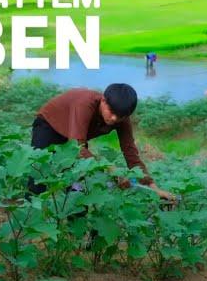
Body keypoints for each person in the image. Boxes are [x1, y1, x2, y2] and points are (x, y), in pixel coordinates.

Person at [27, 83, 174, 202]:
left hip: (75, 136)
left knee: (78, 184)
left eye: (121, 116)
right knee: (39, 175)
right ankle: (30, 220)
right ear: (103, 100)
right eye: (111, 111)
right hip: (49, 126)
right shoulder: (84, 104)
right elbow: (78, 147)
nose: (114, 119)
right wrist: (113, 171)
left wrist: (153, 187)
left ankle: (75, 226)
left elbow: (130, 152)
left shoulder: (121, 118)